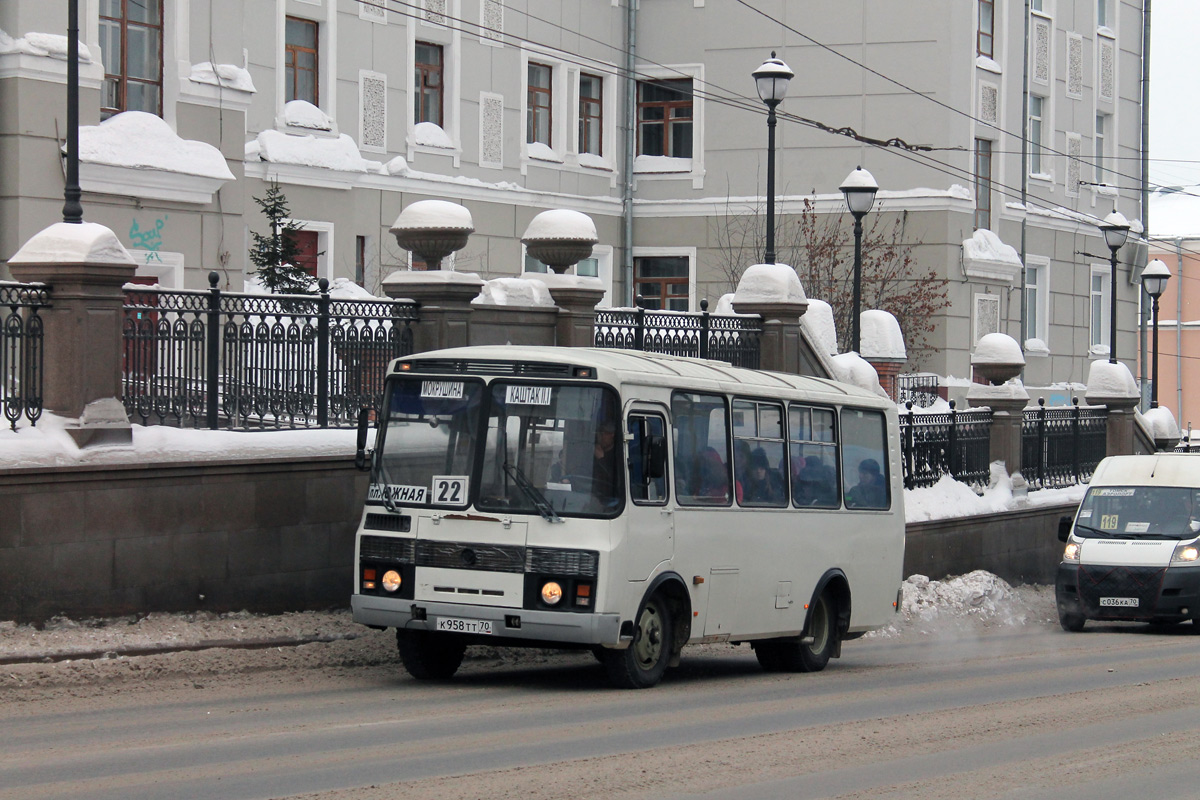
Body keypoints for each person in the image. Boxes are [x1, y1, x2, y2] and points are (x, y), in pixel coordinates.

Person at [590, 420, 619, 500]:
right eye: (600, 433)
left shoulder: (617, 455)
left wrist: (601, 459)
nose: (601, 437)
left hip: (610, 498)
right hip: (591, 494)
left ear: (612, 435)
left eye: (604, 433)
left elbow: (615, 480)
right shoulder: (593, 453)